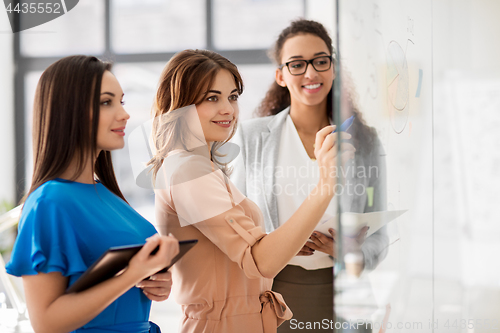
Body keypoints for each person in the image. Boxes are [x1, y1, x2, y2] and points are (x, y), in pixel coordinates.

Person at [148, 49, 355, 333]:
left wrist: (289, 243)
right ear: (180, 105)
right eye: (212, 98)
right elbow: (262, 261)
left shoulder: (201, 167)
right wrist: (327, 184)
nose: (228, 110)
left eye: (232, 97)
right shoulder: (187, 171)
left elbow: (236, 255)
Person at [230, 19, 389, 332]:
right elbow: (238, 226)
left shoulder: (365, 140)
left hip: (344, 291)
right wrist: (281, 240)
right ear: (280, 75)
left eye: (320, 61)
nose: (311, 73)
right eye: (297, 64)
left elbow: (380, 236)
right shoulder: (251, 138)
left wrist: (348, 249)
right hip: (274, 291)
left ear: (333, 68)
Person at [6, 55, 180, 333]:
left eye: (121, 101)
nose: (124, 114)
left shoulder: (108, 196)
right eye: (106, 102)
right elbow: (46, 323)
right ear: (68, 111)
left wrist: (153, 281)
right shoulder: (50, 202)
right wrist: (133, 273)